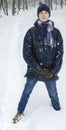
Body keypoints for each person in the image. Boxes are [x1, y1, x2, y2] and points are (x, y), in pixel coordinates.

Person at [12, 4, 63, 123]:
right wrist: (39, 69)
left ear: (49, 14)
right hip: (34, 70)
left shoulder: (56, 33)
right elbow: (27, 54)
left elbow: (60, 54)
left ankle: (58, 112)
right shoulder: (31, 32)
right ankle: (19, 111)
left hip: (50, 71)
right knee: (26, 91)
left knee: (54, 94)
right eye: (41, 13)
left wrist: (53, 71)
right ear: (38, 15)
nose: (43, 15)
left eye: (46, 12)